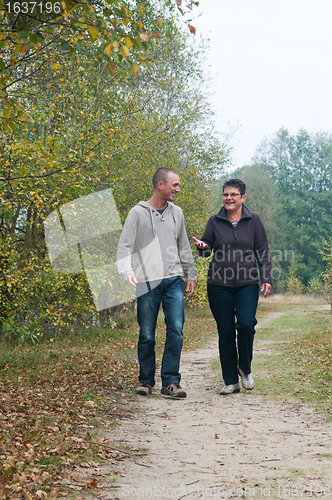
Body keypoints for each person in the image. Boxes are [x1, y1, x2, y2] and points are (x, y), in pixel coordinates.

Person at [116, 167, 196, 398]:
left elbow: (183, 245)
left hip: (173, 280)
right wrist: (126, 271)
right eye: (175, 185)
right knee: (147, 334)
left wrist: (190, 274)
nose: (178, 190)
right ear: (160, 185)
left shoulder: (177, 213)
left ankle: (171, 382)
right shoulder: (137, 213)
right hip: (146, 282)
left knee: (176, 330)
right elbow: (125, 246)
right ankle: (146, 381)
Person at [193, 178, 272, 395]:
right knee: (225, 332)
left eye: (233, 194)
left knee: (246, 324)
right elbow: (206, 250)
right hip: (218, 284)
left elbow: (263, 252)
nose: (228, 198)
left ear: (243, 198)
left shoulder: (253, 220)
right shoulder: (215, 221)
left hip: (247, 283)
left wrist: (266, 278)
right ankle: (230, 381)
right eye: (225, 194)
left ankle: (244, 368)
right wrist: (202, 247)